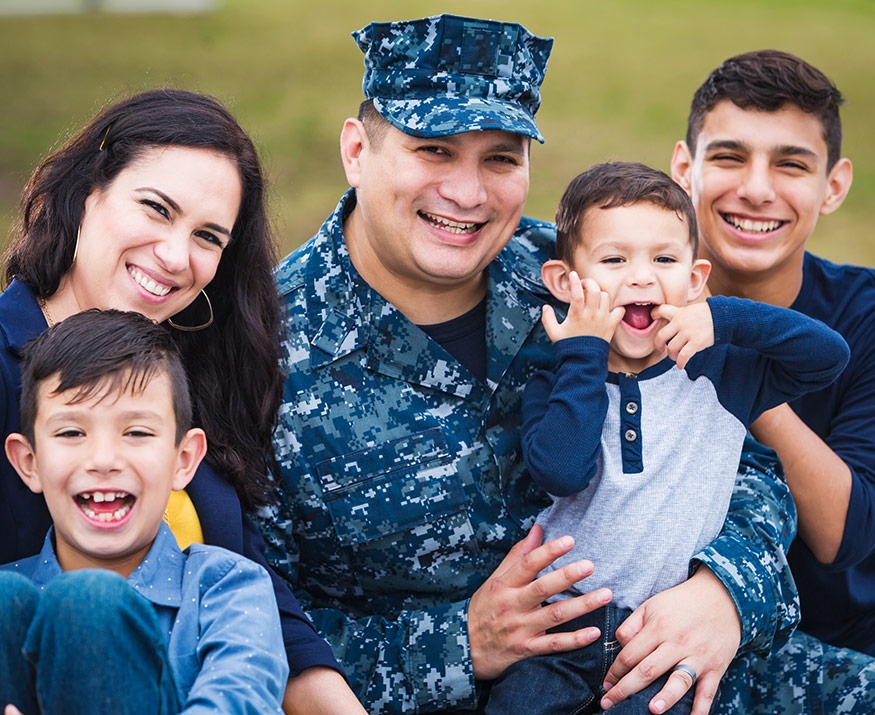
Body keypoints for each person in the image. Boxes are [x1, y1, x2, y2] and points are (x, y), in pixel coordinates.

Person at [258, 14, 808, 715]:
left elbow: (743, 460)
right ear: (356, 149)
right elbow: (255, 620)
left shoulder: (589, 275)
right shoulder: (266, 348)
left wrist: (726, 591)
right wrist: (458, 642)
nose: (468, 193)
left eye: (500, 157)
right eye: (433, 149)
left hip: (674, 669)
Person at [0, 89, 363, 714]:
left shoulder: (191, 377)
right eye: (156, 209)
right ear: (87, 190)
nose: (175, 257)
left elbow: (263, 610)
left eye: (208, 237)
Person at [483, 161, 849, 714]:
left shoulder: (723, 373)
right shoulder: (554, 384)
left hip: (663, 638)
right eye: (613, 259)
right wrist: (582, 351)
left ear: (695, 279)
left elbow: (828, 356)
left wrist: (720, 318)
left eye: (664, 259)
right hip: (559, 635)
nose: (641, 277)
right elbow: (562, 469)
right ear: (565, 282)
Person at [669, 49, 875, 707]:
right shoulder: (632, 291)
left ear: (833, 185)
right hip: (657, 630)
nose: (756, 188)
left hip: (829, 647)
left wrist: (741, 365)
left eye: (790, 164)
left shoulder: (863, 314)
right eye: (728, 157)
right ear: (683, 168)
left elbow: (845, 534)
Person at [0, 309, 288, 713]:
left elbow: (242, 698)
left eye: (136, 432)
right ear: (28, 462)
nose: (103, 459)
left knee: (91, 603)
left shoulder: (226, 588)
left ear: (183, 459)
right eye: (71, 432)